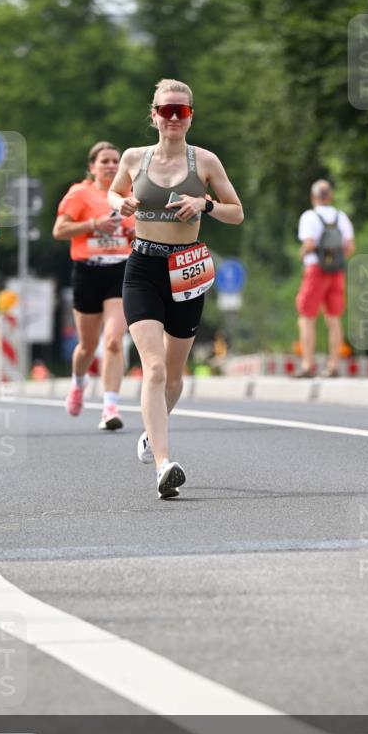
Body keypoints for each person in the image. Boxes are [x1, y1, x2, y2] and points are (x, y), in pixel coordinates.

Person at [108, 78, 243, 499]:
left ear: (189, 118)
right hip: (144, 266)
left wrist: (204, 204)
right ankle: (164, 464)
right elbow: (113, 194)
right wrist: (122, 204)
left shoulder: (205, 162)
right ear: (153, 116)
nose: (172, 118)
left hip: (187, 269)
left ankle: (152, 432)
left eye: (179, 112)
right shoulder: (134, 158)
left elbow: (236, 213)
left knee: (175, 373)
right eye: (165, 111)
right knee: (154, 367)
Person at [53, 141, 134, 431]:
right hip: (87, 271)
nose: (111, 166)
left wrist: (133, 232)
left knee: (113, 339)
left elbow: (141, 235)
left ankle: (110, 406)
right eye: (105, 161)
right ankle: (78, 383)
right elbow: (59, 230)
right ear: (92, 167)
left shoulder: (130, 196)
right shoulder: (80, 194)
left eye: (116, 161)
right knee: (87, 345)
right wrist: (94, 225)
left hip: (121, 271)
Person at [294, 180, 355, 378]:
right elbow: (349, 247)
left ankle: (307, 364)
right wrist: (334, 260)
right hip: (336, 271)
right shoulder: (341, 217)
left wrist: (302, 254)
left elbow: (310, 244)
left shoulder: (310, 216)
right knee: (334, 318)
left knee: (307, 317)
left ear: (313, 197)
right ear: (330, 196)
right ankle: (334, 365)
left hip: (315, 270)